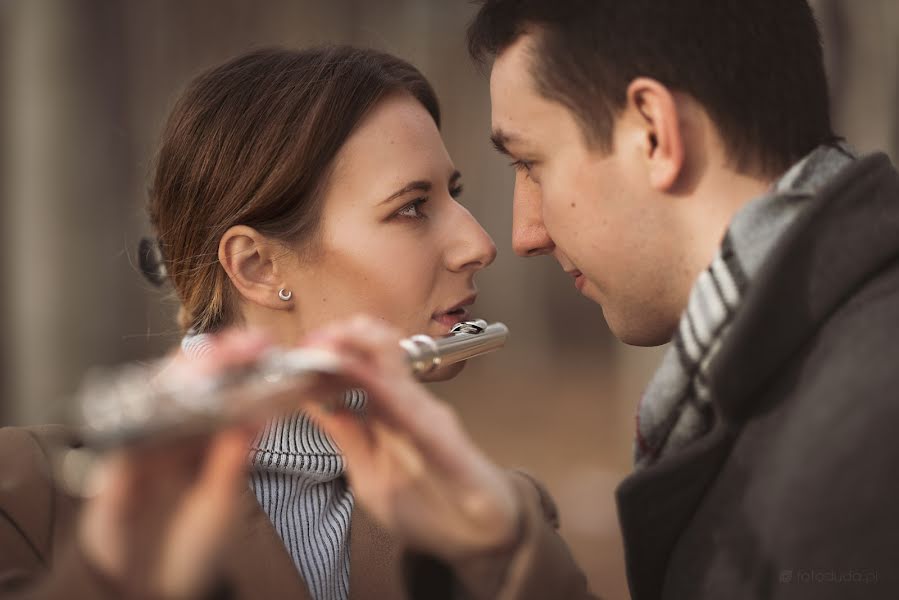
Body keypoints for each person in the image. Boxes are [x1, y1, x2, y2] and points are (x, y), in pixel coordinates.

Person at [300, 1, 899, 599]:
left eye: (531, 163)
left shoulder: (862, 437)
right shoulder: (818, 377)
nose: (523, 235)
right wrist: (509, 561)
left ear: (655, 133)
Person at [0, 46, 564, 600]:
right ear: (258, 266)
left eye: (453, 194)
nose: (480, 245)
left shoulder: (492, 515)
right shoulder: (27, 500)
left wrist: (500, 550)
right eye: (412, 207)